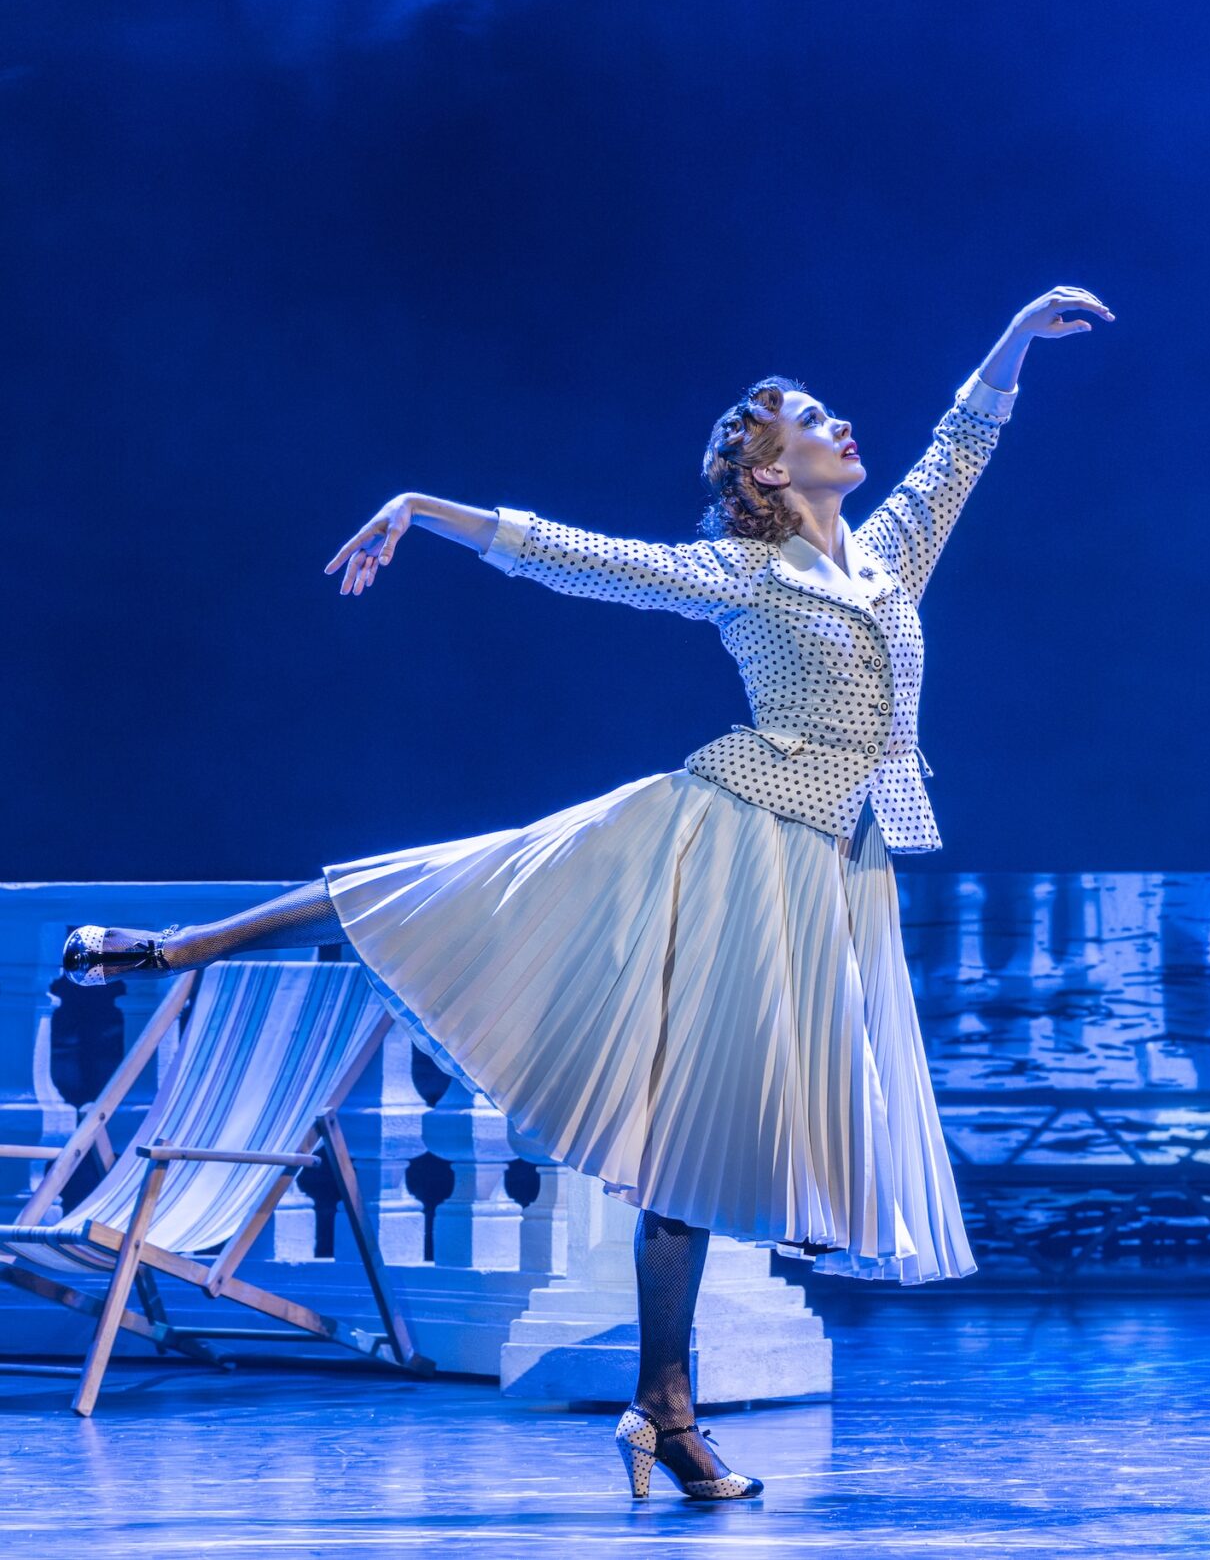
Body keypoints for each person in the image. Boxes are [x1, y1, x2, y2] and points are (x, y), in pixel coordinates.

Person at [64, 284, 1114, 1499]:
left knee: (709, 1149)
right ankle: (180, 950)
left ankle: (663, 1410)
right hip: (730, 845)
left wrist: (1013, 337)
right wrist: (420, 507)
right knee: (454, 894)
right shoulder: (742, 572)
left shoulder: (887, 562)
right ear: (769, 473)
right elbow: (585, 560)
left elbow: (960, 447)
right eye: (811, 421)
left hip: (831, 870)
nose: (839, 427)